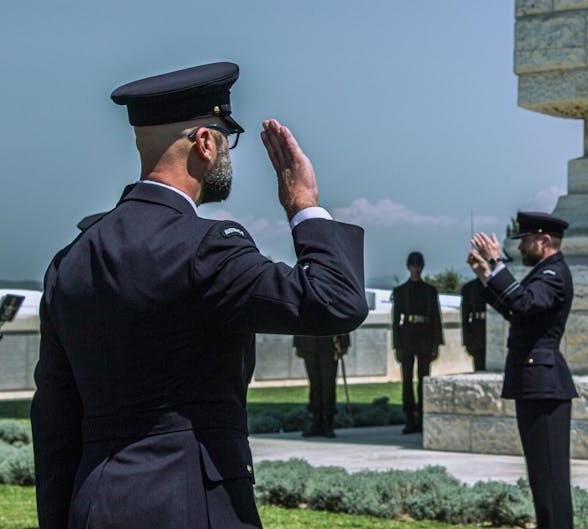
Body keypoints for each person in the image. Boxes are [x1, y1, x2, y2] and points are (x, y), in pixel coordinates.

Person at [30, 62, 368, 529]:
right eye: (227, 140)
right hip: (192, 505)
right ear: (205, 143)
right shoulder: (206, 248)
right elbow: (334, 301)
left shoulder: (72, 259)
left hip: (95, 504)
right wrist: (304, 205)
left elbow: (54, 421)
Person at [467, 211, 576, 529]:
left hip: (544, 385)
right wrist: (487, 275)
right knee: (542, 477)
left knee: (551, 478)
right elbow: (518, 311)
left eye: (526, 240)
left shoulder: (553, 274)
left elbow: (524, 303)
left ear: (544, 241)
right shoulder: (543, 273)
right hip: (535, 383)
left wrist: (497, 263)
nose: (521, 247)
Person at [391, 251, 443, 434]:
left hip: (425, 337)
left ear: (422, 267)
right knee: (406, 380)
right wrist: (397, 345)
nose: (416, 269)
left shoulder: (430, 291)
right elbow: (395, 321)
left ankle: (422, 417)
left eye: (418, 266)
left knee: (423, 379)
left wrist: (436, 343)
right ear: (408, 267)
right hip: (407, 337)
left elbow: (436, 318)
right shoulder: (400, 291)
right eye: (413, 266)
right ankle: (409, 418)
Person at [293, 333, 350, 438]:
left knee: (328, 386)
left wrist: (344, 343)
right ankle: (316, 422)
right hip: (308, 343)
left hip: (329, 345)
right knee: (314, 386)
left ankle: (328, 423)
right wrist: (297, 343)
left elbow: (342, 322)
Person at [460, 277, 488, 371]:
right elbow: (465, 318)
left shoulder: (498, 284)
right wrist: (467, 341)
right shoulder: (469, 288)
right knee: (479, 368)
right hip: (477, 333)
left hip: (495, 331)